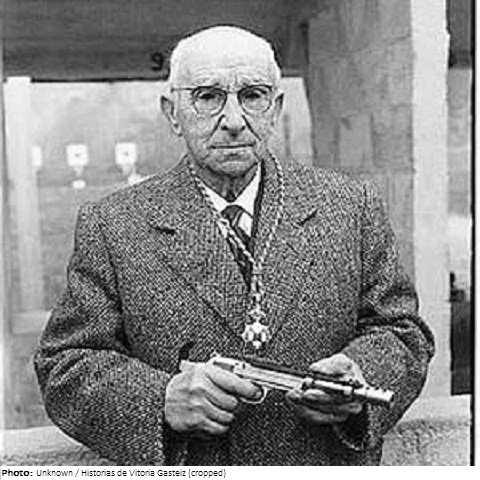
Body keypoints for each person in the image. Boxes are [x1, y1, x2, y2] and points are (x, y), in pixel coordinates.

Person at [35, 25, 435, 466]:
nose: (233, 120)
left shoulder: (350, 206)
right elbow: (64, 365)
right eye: (207, 97)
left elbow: (403, 333)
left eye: (252, 95)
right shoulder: (113, 225)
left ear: (275, 108)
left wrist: (360, 376)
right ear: (172, 113)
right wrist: (160, 399)